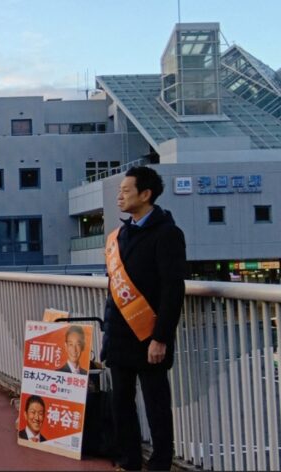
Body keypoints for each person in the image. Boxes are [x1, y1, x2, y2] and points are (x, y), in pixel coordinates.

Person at [101, 166, 186, 471]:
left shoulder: (168, 234)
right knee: (121, 403)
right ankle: (129, 460)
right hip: (120, 337)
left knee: (156, 406)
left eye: (125, 190)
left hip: (150, 337)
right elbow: (115, 289)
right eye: (119, 191)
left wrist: (161, 337)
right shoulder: (120, 234)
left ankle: (161, 464)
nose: (119, 196)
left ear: (146, 194)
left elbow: (173, 288)